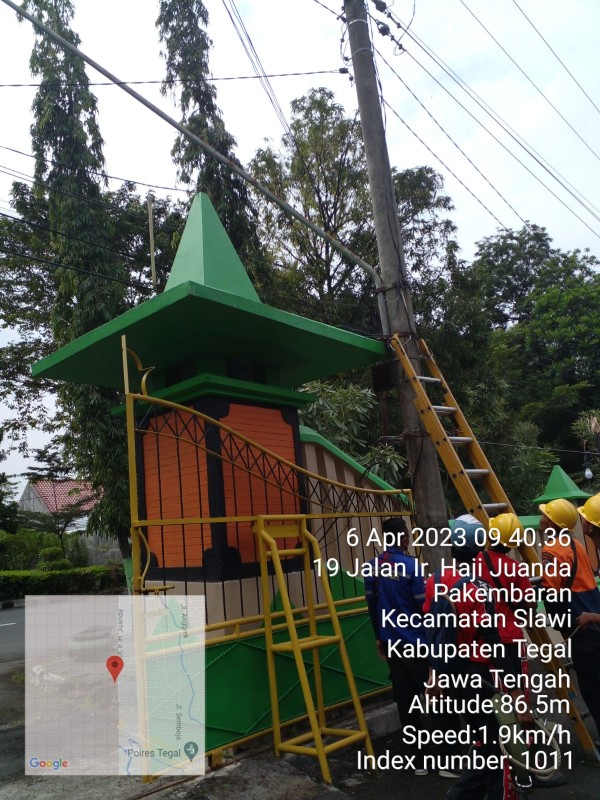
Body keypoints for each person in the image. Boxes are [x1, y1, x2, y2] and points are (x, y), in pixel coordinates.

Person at [423, 515, 532, 800]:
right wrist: (516, 694)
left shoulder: (435, 580)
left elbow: (432, 630)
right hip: (478, 676)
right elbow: (493, 643)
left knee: (484, 742)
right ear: (478, 548)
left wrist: (434, 675)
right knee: (496, 747)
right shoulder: (479, 589)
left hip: (451, 675)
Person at [364, 516, 459, 778]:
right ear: (405, 539)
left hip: (392, 645)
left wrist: (379, 637)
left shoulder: (372, 567)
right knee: (437, 699)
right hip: (417, 645)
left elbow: (372, 605)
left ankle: (418, 761)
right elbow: (424, 607)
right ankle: (448, 762)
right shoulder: (411, 567)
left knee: (406, 703)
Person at [540, 497, 600, 739]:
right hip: (594, 619)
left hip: (582, 628)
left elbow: (551, 592)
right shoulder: (576, 544)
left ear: (551, 522)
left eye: (545, 515)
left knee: (592, 690)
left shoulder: (552, 550)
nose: (541, 519)